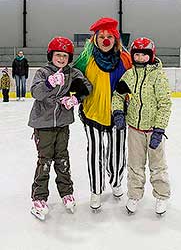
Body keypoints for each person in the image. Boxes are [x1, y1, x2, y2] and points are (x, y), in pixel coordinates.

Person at [28, 36, 92, 220]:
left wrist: (75, 99)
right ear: (51, 55)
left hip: (62, 123)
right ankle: (39, 198)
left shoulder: (72, 74)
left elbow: (87, 87)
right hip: (43, 124)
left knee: (62, 159)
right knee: (45, 160)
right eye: (58, 55)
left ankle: (66, 192)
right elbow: (36, 93)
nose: (61, 59)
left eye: (65, 56)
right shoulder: (43, 72)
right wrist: (49, 83)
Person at [73, 17, 132, 211]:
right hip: (93, 114)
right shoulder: (86, 59)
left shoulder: (125, 59)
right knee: (96, 152)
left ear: (115, 39)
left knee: (117, 153)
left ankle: (116, 182)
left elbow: (136, 80)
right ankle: (96, 190)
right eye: (101, 36)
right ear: (95, 39)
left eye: (109, 36)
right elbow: (73, 76)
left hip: (118, 115)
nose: (105, 40)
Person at [112, 37, 172, 216]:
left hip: (154, 130)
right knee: (135, 164)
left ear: (151, 55)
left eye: (143, 55)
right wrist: (118, 113)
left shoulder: (158, 76)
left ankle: (162, 195)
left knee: (158, 165)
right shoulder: (129, 75)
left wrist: (159, 129)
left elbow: (165, 104)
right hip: (135, 130)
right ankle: (134, 195)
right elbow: (118, 96)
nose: (139, 58)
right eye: (136, 54)